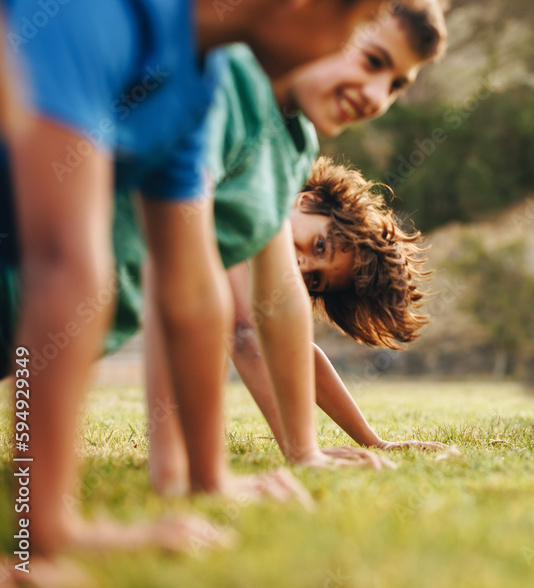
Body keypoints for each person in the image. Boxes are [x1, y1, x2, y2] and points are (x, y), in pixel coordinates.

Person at [0, 0, 384, 563]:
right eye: (353, 32)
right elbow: (64, 260)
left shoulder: (197, 81)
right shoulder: (89, 17)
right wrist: (46, 531)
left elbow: (192, 287)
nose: (372, 95)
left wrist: (212, 479)